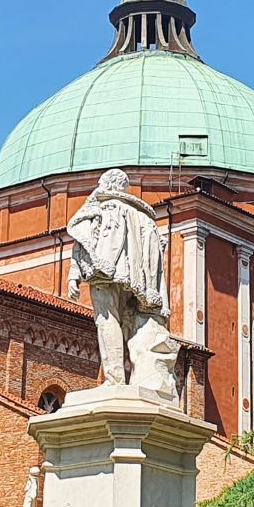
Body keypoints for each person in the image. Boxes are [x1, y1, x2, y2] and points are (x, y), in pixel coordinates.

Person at [66, 169, 176, 394]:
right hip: (137, 280)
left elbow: (85, 240)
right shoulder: (144, 217)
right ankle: (144, 379)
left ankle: (115, 379)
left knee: (106, 319)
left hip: (104, 273)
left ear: (106, 184)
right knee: (135, 323)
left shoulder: (102, 208)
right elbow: (156, 256)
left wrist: (74, 274)